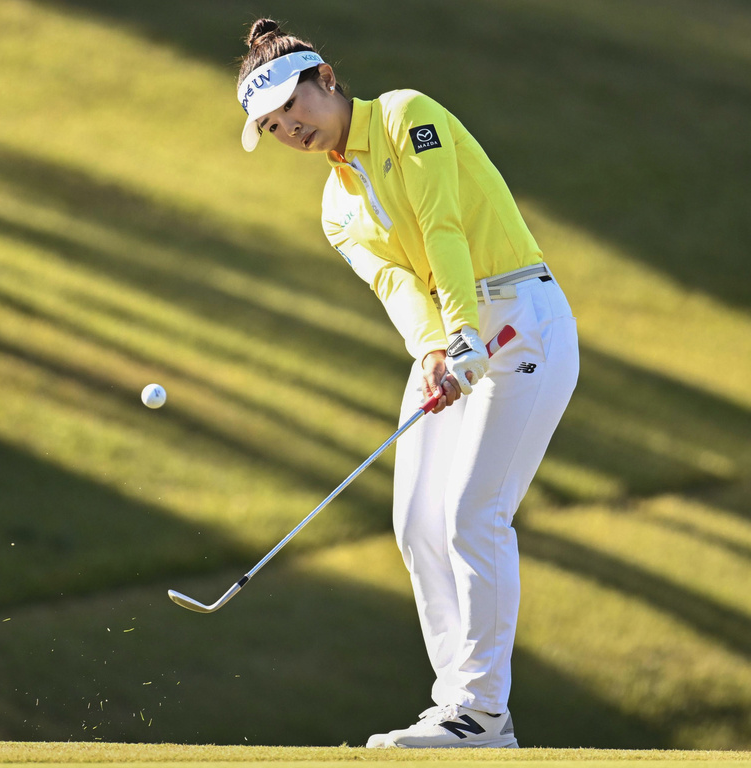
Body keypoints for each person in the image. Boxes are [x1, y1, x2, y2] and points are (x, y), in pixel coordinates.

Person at [236, 19, 579, 749]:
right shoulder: (336, 207)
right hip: (451, 340)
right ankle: (460, 705)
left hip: (520, 318)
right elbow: (395, 285)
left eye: (289, 109)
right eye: (270, 128)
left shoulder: (404, 115)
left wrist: (463, 333)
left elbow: (442, 224)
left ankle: (481, 713)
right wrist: (433, 350)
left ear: (324, 77)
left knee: (472, 515)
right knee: (417, 521)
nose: (288, 129)